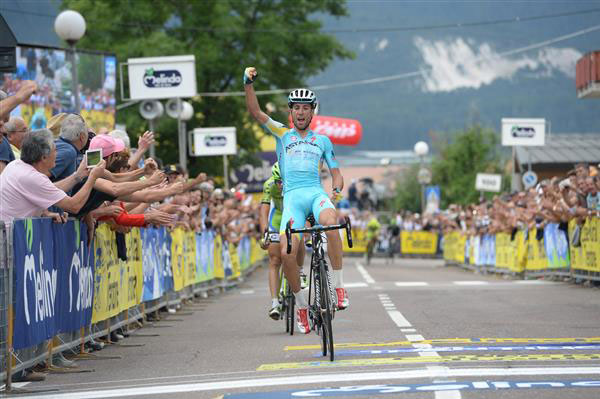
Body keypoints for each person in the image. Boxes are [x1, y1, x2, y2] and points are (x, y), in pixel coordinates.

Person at [244, 66, 348, 335]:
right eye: (296, 108)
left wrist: (335, 191)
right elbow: (256, 112)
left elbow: (336, 173)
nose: (301, 112)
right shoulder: (282, 134)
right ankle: (301, 306)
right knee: (288, 254)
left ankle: (337, 286)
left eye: (306, 108)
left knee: (331, 221)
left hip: (315, 193)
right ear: (290, 112)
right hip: (292, 199)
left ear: (313, 112)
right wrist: (248, 84)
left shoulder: (322, 140)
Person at [0, 129, 105, 224]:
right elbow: (74, 206)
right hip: (8, 238)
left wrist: (78, 175)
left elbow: (49, 189)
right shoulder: (33, 177)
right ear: (44, 157)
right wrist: (93, 177)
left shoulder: (16, 165)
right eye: (55, 150)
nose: (57, 153)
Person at [259, 162, 307, 320]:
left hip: (294, 217)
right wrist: (265, 230)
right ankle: (274, 303)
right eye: (278, 181)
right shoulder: (269, 184)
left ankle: (299, 270)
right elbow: (264, 209)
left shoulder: (297, 183)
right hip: (278, 218)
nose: (280, 185)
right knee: (274, 260)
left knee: (298, 241)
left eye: (283, 181)